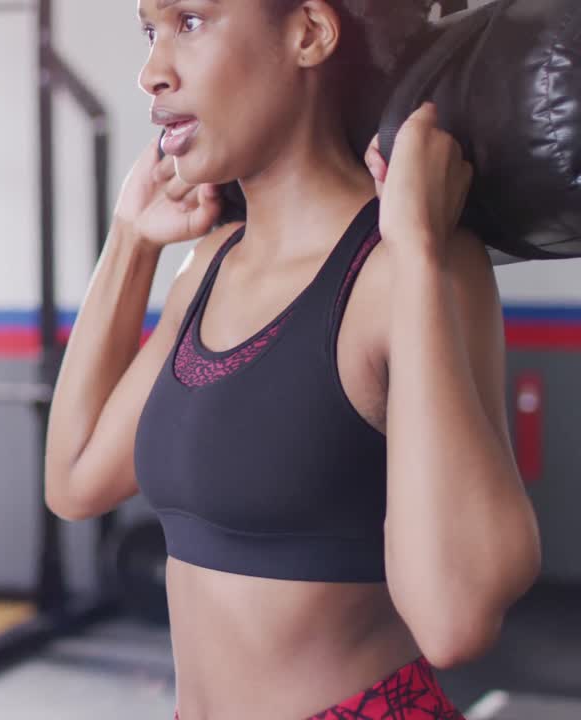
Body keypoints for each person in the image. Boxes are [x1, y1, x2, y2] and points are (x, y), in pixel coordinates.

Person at [43, 1, 543, 718]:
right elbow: (74, 480)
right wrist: (130, 242)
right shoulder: (208, 267)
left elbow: (454, 622)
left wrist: (420, 255)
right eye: (150, 33)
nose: (151, 71)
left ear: (309, 31)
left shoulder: (406, 262)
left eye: (190, 21)